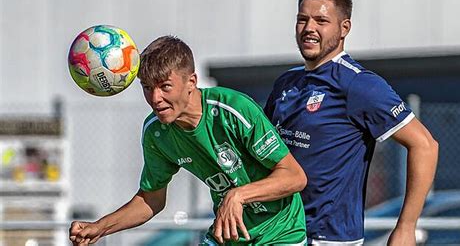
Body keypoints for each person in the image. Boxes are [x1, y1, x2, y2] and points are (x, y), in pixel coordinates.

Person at [69, 35, 308, 245]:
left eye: (165, 87)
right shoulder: (156, 133)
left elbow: (294, 176)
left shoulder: (233, 109)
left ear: (191, 82)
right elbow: (151, 200)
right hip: (231, 234)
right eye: (147, 87)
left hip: (281, 232)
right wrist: (100, 227)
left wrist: (239, 195)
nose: (155, 98)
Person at [264, 0, 439, 246]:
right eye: (302, 19)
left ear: (344, 28)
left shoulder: (358, 84)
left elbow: (425, 145)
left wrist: (406, 227)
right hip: (278, 233)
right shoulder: (286, 83)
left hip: (327, 238)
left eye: (321, 20)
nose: (309, 28)